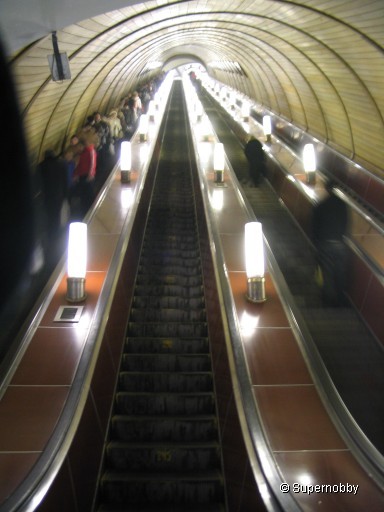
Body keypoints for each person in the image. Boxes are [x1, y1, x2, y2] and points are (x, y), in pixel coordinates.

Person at [312, 179, 349, 306]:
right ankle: (340, 300)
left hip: (325, 244)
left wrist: (316, 243)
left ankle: (328, 301)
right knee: (339, 272)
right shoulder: (342, 205)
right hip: (339, 243)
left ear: (326, 189)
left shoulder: (320, 205)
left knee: (327, 273)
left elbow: (314, 227)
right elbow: (345, 224)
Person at [37, 149, 69, 239]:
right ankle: (56, 232)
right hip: (59, 194)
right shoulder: (62, 164)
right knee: (57, 214)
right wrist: (66, 195)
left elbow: (39, 182)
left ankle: (50, 233)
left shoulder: (41, 166)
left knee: (49, 214)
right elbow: (65, 181)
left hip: (47, 195)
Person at [71, 129, 97, 218]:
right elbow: (79, 165)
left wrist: (91, 174)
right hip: (82, 177)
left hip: (87, 176)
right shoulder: (83, 152)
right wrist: (76, 175)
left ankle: (90, 212)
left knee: (88, 195)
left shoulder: (90, 151)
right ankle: (84, 213)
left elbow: (92, 163)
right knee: (84, 196)